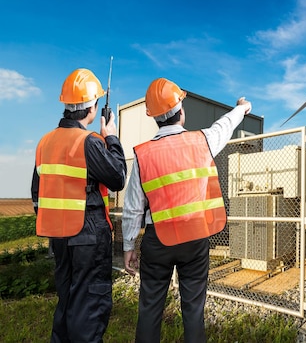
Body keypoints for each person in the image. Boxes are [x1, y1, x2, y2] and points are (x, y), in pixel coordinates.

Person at [122, 78, 252, 343]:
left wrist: (128, 246)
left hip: (157, 240)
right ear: (180, 109)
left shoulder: (143, 155)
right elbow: (223, 126)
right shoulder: (201, 141)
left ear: (154, 117)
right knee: (193, 311)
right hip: (194, 237)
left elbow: (133, 206)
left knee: (149, 309)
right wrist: (241, 108)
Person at [31, 68, 127, 343]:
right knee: (89, 306)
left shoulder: (44, 143)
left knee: (68, 299)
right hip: (88, 233)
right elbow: (118, 177)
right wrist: (111, 138)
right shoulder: (88, 142)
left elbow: (37, 194)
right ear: (92, 108)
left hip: (59, 236)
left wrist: (56, 220)